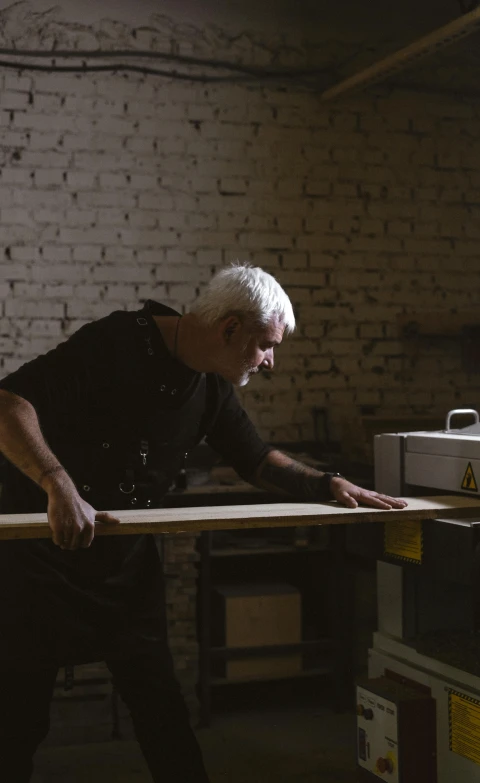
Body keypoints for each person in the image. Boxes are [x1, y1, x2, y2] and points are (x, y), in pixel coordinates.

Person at [0, 262, 406, 782]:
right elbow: (9, 401)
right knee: (17, 723)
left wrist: (327, 484)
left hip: (123, 568)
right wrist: (57, 482)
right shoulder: (115, 342)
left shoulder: (211, 387)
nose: (271, 361)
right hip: (40, 563)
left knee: (164, 715)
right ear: (230, 328)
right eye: (265, 345)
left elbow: (255, 459)